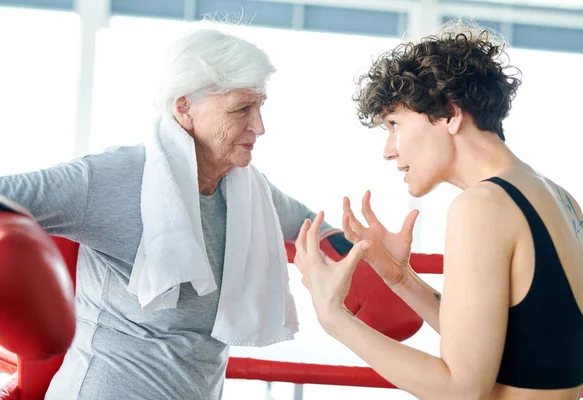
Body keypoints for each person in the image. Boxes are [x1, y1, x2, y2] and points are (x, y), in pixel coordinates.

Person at [0, 27, 344, 400]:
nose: (260, 126)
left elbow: (311, 225)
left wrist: (365, 257)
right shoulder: (113, 177)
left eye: (260, 107)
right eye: (242, 108)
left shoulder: (248, 191)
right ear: (185, 108)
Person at [294, 20, 583, 400]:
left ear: (450, 115)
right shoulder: (557, 197)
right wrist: (400, 278)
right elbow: (518, 348)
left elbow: (461, 388)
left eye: (394, 124)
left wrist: (332, 316)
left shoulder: (482, 206)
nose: (388, 150)